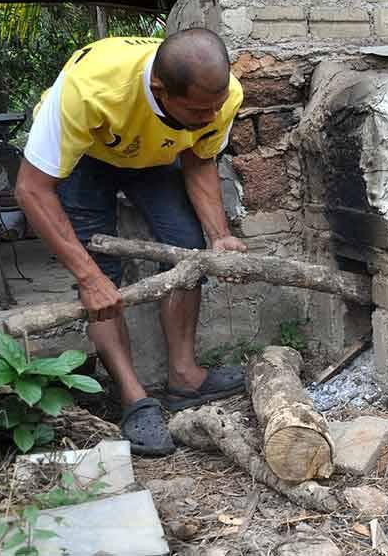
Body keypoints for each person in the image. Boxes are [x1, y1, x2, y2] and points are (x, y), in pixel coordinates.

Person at [15, 29, 248, 455]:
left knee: (187, 253)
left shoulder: (221, 95)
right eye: (200, 109)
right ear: (159, 89)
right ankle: (134, 398)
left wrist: (220, 238)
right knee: (102, 279)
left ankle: (185, 376)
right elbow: (31, 189)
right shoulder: (88, 90)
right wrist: (86, 277)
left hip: (153, 154)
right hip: (85, 155)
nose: (213, 115)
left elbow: (199, 156)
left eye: (217, 106)